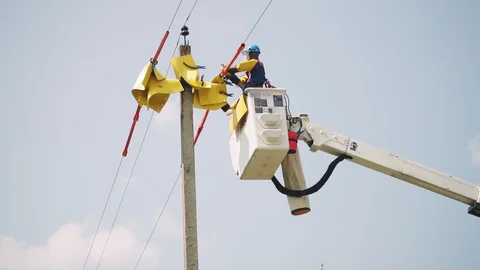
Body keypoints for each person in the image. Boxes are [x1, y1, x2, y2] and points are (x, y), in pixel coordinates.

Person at [220, 44, 267, 115]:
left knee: (242, 97)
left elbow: (240, 67)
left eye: (248, 54)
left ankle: (229, 108)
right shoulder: (257, 67)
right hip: (253, 89)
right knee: (241, 92)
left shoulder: (254, 62)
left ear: (252, 54)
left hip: (251, 89)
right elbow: (243, 79)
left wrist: (227, 69)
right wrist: (230, 75)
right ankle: (230, 109)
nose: (247, 57)